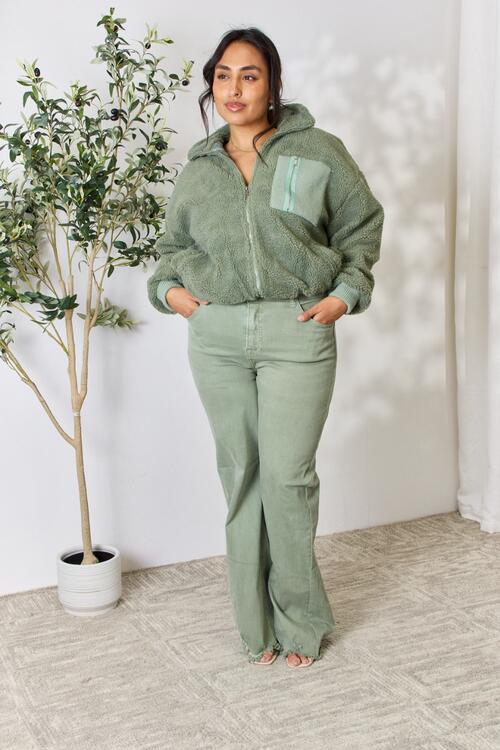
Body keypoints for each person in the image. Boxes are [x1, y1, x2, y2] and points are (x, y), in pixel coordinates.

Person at [147, 27, 384, 669]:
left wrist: (345, 294)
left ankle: (300, 622)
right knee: (241, 476)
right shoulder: (200, 169)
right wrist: (172, 294)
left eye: (249, 75)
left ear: (272, 84)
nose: (235, 88)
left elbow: (362, 224)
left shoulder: (316, 150)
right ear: (211, 85)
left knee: (287, 477)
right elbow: (171, 251)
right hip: (217, 335)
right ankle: (255, 629)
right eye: (223, 75)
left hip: (296, 329)